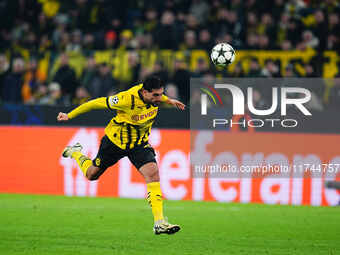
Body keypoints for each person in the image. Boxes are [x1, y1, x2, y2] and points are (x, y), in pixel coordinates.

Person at [57, 76, 185, 235]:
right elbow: (95, 103)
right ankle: (75, 152)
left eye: (161, 94)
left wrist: (169, 100)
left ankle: (159, 222)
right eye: (156, 96)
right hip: (115, 142)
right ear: (145, 92)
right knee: (91, 175)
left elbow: (160, 96)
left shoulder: (154, 98)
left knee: (153, 174)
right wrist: (70, 115)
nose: (159, 99)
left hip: (139, 144)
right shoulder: (126, 99)